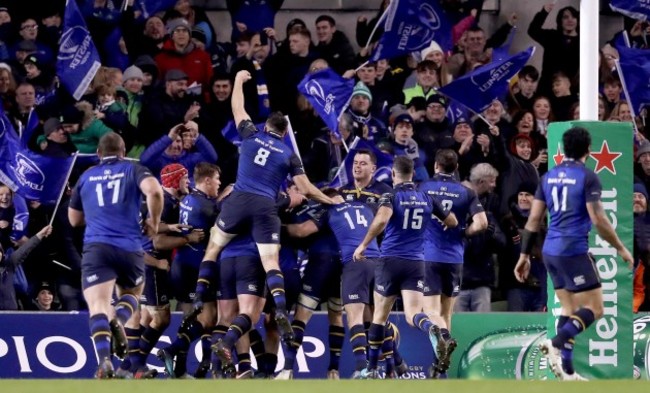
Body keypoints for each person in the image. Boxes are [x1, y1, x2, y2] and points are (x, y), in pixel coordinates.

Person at [202, 70, 336, 362]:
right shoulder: (289, 155)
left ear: (266, 126)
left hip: (239, 201)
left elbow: (238, 108)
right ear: (286, 133)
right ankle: (279, 307)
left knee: (214, 245)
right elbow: (305, 189)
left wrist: (238, 80)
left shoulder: (251, 136)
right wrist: (329, 199)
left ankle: (200, 294)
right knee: (270, 261)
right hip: (265, 207)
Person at [514, 126, 633, 381]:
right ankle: (555, 342)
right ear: (588, 150)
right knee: (596, 309)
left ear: (564, 150)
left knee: (569, 310)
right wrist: (621, 248)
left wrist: (523, 256)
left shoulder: (548, 177)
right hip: (574, 251)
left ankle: (568, 372)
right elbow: (598, 219)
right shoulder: (587, 177)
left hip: (550, 252)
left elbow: (533, 220)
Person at [352, 156, 458, 379]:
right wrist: (436, 222)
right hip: (416, 263)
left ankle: (370, 370)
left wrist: (363, 245)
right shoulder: (426, 197)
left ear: (393, 173)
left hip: (390, 260)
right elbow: (453, 222)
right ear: (413, 173)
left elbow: (381, 220)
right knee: (413, 315)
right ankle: (431, 328)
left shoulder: (391, 195)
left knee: (379, 316)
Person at [68, 132, 163, 379]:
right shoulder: (133, 170)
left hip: (97, 247)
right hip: (130, 247)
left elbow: (74, 219)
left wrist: (99, 215)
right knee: (132, 294)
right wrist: (153, 222)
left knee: (98, 305)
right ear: (124, 153)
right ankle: (119, 320)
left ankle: (104, 363)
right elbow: (154, 191)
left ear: (98, 154)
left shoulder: (86, 176)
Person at [419, 149, 487, 377]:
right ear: (456, 167)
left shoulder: (424, 187)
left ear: (436, 166)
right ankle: (440, 370)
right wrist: (465, 233)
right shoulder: (466, 192)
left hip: (429, 256)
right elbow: (482, 223)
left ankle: (445, 340)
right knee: (446, 313)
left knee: (430, 311)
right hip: (455, 258)